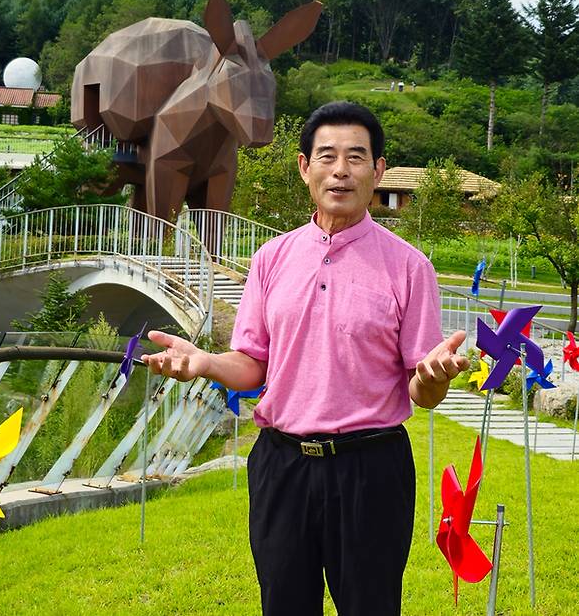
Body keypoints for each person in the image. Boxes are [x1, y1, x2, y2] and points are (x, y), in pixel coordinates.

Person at [142, 101, 469, 616]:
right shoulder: (271, 259)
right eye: (328, 156)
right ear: (304, 167)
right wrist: (205, 362)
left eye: (357, 157)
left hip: (371, 468)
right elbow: (253, 364)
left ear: (378, 171)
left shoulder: (410, 268)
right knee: (284, 604)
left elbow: (421, 389)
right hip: (281, 465)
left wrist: (433, 378)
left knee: (371, 606)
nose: (341, 170)